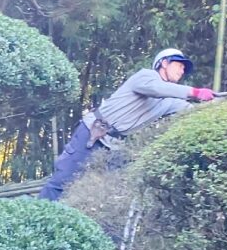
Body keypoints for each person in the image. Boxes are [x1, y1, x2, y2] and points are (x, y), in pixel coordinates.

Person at [39, 48, 217, 202]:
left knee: (104, 195)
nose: (182, 69)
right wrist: (195, 92)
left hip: (113, 147)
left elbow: (189, 109)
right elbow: (156, 89)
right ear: (164, 63)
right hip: (92, 133)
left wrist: (218, 102)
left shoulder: (169, 100)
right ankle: (40, 218)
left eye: (184, 68)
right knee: (60, 183)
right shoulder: (146, 76)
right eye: (179, 64)